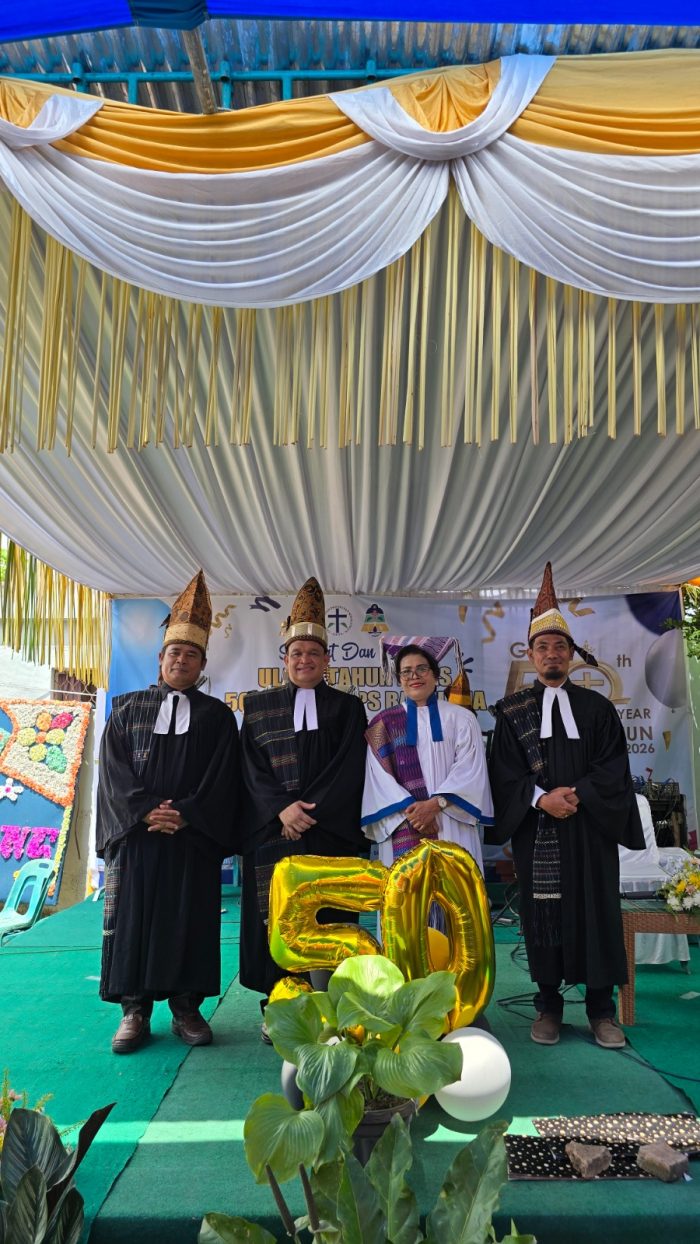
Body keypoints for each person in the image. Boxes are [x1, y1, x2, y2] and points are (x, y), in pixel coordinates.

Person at [487, 562, 645, 1049]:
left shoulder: (598, 709)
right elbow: (503, 774)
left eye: (559, 646)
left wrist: (574, 797)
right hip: (538, 832)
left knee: (597, 913)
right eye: (542, 647)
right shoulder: (512, 713)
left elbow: (613, 768)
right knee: (543, 917)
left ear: (571, 653)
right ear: (530, 654)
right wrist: (542, 799)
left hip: (590, 828)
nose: (551, 653)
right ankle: (549, 1006)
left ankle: (601, 1010)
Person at [97, 570, 240, 1054]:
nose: (181, 660)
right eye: (174, 652)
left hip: (191, 837)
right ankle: (134, 1011)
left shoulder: (218, 717)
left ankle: (186, 1009)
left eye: (191, 654)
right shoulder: (126, 708)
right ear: (160, 658)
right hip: (137, 836)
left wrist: (187, 814)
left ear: (203, 664)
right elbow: (112, 770)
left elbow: (224, 777)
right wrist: (145, 812)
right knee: (133, 920)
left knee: (189, 919)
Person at [239, 577, 367, 1037]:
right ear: (285, 659)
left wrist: (308, 812)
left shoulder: (349, 708)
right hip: (274, 830)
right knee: (276, 916)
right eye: (296, 653)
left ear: (327, 660)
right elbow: (250, 768)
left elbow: (349, 766)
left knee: (330, 917)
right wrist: (282, 810)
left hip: (329, 831)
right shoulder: (258, 707)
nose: (304, 660)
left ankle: (333, 1006)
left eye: (313, 653)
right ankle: (279, 1006)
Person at [362, 636, 493, 874]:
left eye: (422, 669)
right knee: (406, 892)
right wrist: (416, 813)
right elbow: (378, 779)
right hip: (404, 821)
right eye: (406, 671)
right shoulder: (382, 723)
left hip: (451, 822)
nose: (414, 676)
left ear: (435, 674)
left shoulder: (462, 718)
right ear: (399, 679)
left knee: (455, 890)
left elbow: (471, 769)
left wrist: (435, 805)